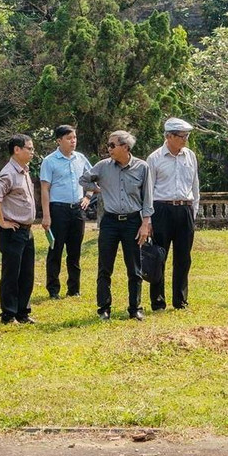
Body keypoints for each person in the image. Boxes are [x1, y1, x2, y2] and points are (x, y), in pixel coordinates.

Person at [80, 130, 153, 321]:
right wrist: (98, 189)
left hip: (133, 221)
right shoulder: (103, 167)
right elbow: (83, 179)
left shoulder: (142, 167)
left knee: (134, 267)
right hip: (110, 222)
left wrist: (145, 224)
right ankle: (104, 308)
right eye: (108, 145)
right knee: (105, 266)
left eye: (113, 145)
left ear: (125, 147)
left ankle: (135, 308)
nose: (109, 149)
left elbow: (148, 198)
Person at [145, 117, 199, 311]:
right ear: (168, 136)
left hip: (185, 208)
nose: (185, 139)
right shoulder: (155, 158)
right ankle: (158, 301)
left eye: (187, 136)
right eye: (181, 136)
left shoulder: (190, 156)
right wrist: (148, 219)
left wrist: (194, 211)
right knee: (159, 256)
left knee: (183, 257)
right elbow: (148, 191)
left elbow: (195, 185)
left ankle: (180, 300)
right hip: (162, 209)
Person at [39, 125, 93, 299]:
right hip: (58, 209)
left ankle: (74, 289)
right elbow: (45, 189)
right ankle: (53, 289)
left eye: (75, 137)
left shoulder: (81, 158)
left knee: (75, 251)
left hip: (77, 209)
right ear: (59, 140)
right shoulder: (50, 161)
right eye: (69, 138)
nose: (73, 141)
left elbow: (92, 179)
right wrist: (46, 216)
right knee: (56, 250)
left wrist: (88, 197)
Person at [0, 134, 38, 324]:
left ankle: (22, 312)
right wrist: (2, 222)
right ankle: (8, 314)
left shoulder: (24, 171)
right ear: (17, 150)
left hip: (27, 230)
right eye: (29, 148)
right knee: (11, 274)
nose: (32, 152)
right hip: (13, 231)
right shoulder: (8, 172)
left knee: (27, 273)